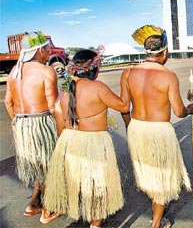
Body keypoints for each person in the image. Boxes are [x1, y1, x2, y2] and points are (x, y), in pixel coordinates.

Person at [42, 48, 130, 228]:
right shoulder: (97, 87)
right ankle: (95, 223)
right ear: (95, 69)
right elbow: (123, 106)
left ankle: (93, 219)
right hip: (94, 143)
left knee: (82, 185)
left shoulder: (65, 90)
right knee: (98, 187)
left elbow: (60, 124)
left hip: (69, 141)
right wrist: (126, 84)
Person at [123, 25, 193, 228]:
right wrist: (190, 109)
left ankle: (157, 215)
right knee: (162, 176)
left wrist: (130, 128)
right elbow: (179, 112)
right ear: (164, 52)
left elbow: (124, 107)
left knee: (147, 171)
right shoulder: (168, 76)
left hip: (137, 127)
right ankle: (157, 223)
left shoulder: (128, 72)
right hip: (159, 131)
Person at [4, 31, 61, 223]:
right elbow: (53, 106)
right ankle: (48, 209)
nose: (49, 51)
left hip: (21, 123)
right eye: (46, 48)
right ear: (39, 51)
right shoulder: (46, 71)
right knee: (47, 165)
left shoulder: (14, 71)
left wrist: (19, 123)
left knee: (37, 164)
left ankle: (33, 204)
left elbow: (7, 103)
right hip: (42, 123)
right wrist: (62, 128)